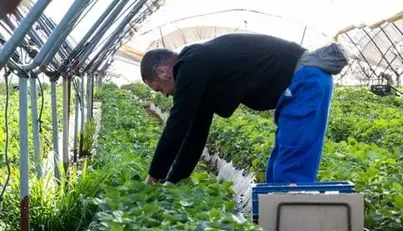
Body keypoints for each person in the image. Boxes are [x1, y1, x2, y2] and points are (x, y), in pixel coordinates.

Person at [140, 33, 348, 185]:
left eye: (159, 89)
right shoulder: (198, 69)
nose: (165, 95)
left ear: (163, 72)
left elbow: (178, 123)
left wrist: (154, 175)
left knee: (291, 173)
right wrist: (173, 181)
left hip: (305, 82)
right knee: (277, 173)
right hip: (298, 86)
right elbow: (195, 134)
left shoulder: (192, 63)